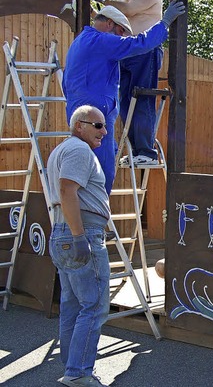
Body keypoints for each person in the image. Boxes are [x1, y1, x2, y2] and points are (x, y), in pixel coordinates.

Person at [62, 0, 185, 194]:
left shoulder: (79, 42)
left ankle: (82, 218)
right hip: (96, 116)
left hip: (78, 114)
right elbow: (139, 43)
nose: (121, 37)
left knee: (81, 170)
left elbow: (65, 83)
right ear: (109, 24)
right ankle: (95, 220)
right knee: (101, 174)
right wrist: (165, 23)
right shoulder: (102, 41)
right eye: (120, 32)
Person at [47, 105, 112, 387]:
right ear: (79, 126)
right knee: (95, 305)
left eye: (104, 126)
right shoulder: (78, 150)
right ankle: (78, 373)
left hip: (67, 231)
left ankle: (71, 367)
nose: (104, 131)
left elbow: (68, 193)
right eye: (97, 126)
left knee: (73, 304)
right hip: (78, 234)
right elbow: (66, 190)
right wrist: (80, 236)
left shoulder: (63, 150)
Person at [102, 0, 165, 167]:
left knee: (142, 98)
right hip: (128, 50)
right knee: (125, 102)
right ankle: (136, 151)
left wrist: (103, 0)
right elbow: (112, 15)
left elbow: (128, 10)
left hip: (146, 49)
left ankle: (147, 151)